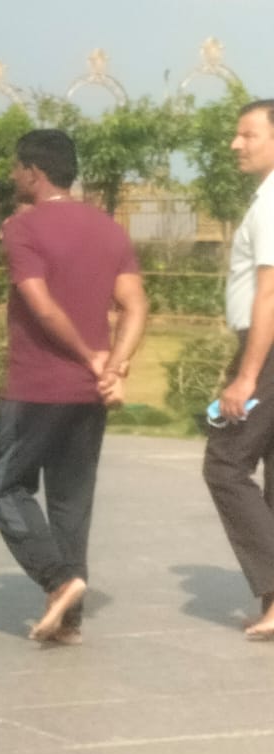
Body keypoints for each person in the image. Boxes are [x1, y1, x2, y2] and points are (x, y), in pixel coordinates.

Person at [0, 129, 146, 644]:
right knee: (71, 503)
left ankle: (57, 581)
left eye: (17, 168)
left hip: (35, 388)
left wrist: (88, 355)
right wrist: (113, 365)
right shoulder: (109, 230)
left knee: (3, 483)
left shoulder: (23, 228)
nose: (13, 176)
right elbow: (136, 306)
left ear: (34, 172)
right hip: (86, 396)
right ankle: (68, 623)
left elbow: (42, 306)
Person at [204, 99, 274, 639]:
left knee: (225, 463)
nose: (235, 144)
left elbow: (270, 292)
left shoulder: (272, 203)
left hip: (266, 350)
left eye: (247, 135)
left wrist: (247, 375)